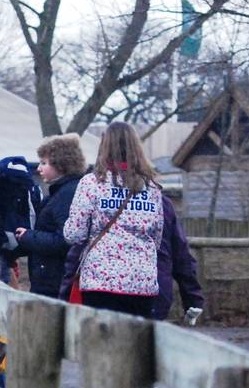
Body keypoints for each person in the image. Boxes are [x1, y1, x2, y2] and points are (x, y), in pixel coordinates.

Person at [61, 121, 163, 317]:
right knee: (135, 345)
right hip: (142, 282)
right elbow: (157, 237)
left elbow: (74, 234)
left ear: (104, 146)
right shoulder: (152, 188)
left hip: (100, 280)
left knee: (100, 343)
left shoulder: (91, 183)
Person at [10, 133, 86, 298]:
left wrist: (28, 237)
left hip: (54, 282)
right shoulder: (61, 192)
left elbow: (64, 239)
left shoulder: (66, 195)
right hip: (52, 278)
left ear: (61, 164)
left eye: (44, 163)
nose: (38, 168)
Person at [154, 194, 206, 323]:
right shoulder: (160, 202)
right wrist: (193, 300)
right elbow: (181, 255)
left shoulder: (96, 194)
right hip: (155, 292)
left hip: (104, 291)